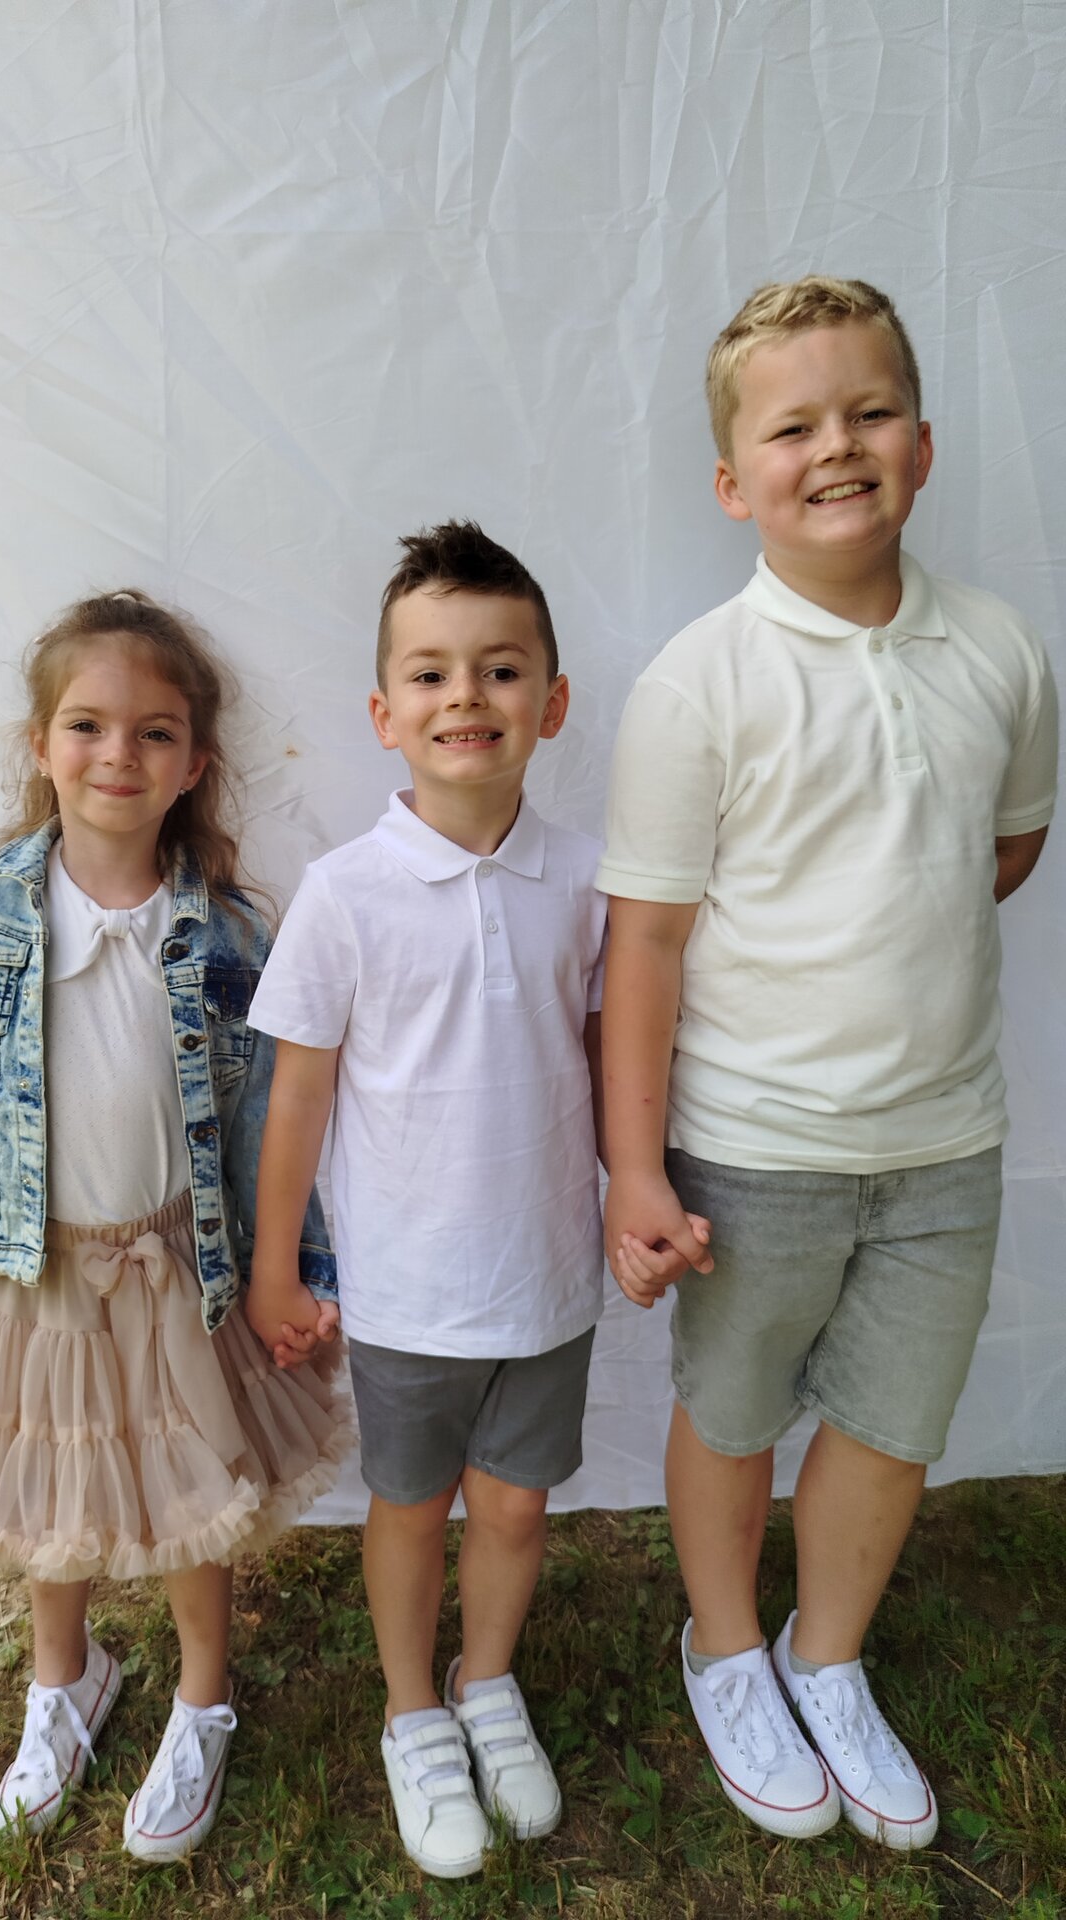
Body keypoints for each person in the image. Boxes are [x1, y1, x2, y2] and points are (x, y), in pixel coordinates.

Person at [598, 277, 1057, 1849]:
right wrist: (638, 1167)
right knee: (734, 1410)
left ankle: (827, 1652)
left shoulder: (1000, 649)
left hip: (945, 1141)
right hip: (756, 1147)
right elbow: (646, 946)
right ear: (736, 484)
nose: (838, 446)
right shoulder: (701, 683)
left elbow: (1004, 848)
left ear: (923, 445)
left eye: (869, 413)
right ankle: (727, 1647)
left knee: (892, 1422)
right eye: (793, 428)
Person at [0, 590, 349, 1858]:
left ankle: (203, 1699)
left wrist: (293, 1267)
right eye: (89, 725)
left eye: (155, 732)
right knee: (46, 1489)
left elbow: (269, 1122)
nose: (120, 754)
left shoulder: (231, 932)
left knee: (194, 1493)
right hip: (31, 1272)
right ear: (42, 744)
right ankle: (62, 1685)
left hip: (180, 1271)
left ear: (196, 763)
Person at [245, 521, 609, 1878]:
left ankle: (487, 1681)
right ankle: (412, 1709)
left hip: (551, 1276)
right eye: (433, 673)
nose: (468, 696)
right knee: (409, 1506)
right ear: (384, 712)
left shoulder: (591, 883)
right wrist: (278, 1268)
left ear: (552, 705)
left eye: (502, 670)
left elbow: (613, 1066)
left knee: (513, 1507)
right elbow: (296, 1100)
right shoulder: (345, 895)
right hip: (406, 1290)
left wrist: (642, 1196)